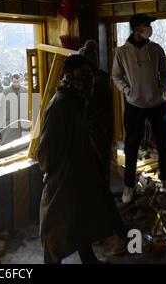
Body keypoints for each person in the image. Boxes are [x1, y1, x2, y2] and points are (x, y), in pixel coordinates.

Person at [38, 55, 128, 264]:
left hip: (82, 169)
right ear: (69, 75)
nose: (88, 78)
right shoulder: (61, 104)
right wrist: (49, 169)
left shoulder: (76, 99)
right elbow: (47, 146)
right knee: (54, 223)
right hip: (64, 174)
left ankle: (89, 259)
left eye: (90, 74)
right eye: (82, 74)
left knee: (81, 218)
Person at [112, 13, 166, 203]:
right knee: (131, 146)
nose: (148, 28)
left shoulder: (155, 49)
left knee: (163, 143)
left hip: (157, 103)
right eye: (145, 25)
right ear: (136, 28)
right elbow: (116, 76)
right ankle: (129, 186)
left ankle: (165, 179)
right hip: (134, 105)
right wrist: (128, 91)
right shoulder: (122, 52)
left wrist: (161, 89)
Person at [0, 74, 29, 144]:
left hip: (23, 123)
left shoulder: (25, 90)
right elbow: (0, 108)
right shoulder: (6, 91)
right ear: (12, 81)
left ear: (20, 81)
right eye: (14, 82)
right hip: (9, 123)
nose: (16, 83)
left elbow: (29, 106)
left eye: (18, 81)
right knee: (9, 144)